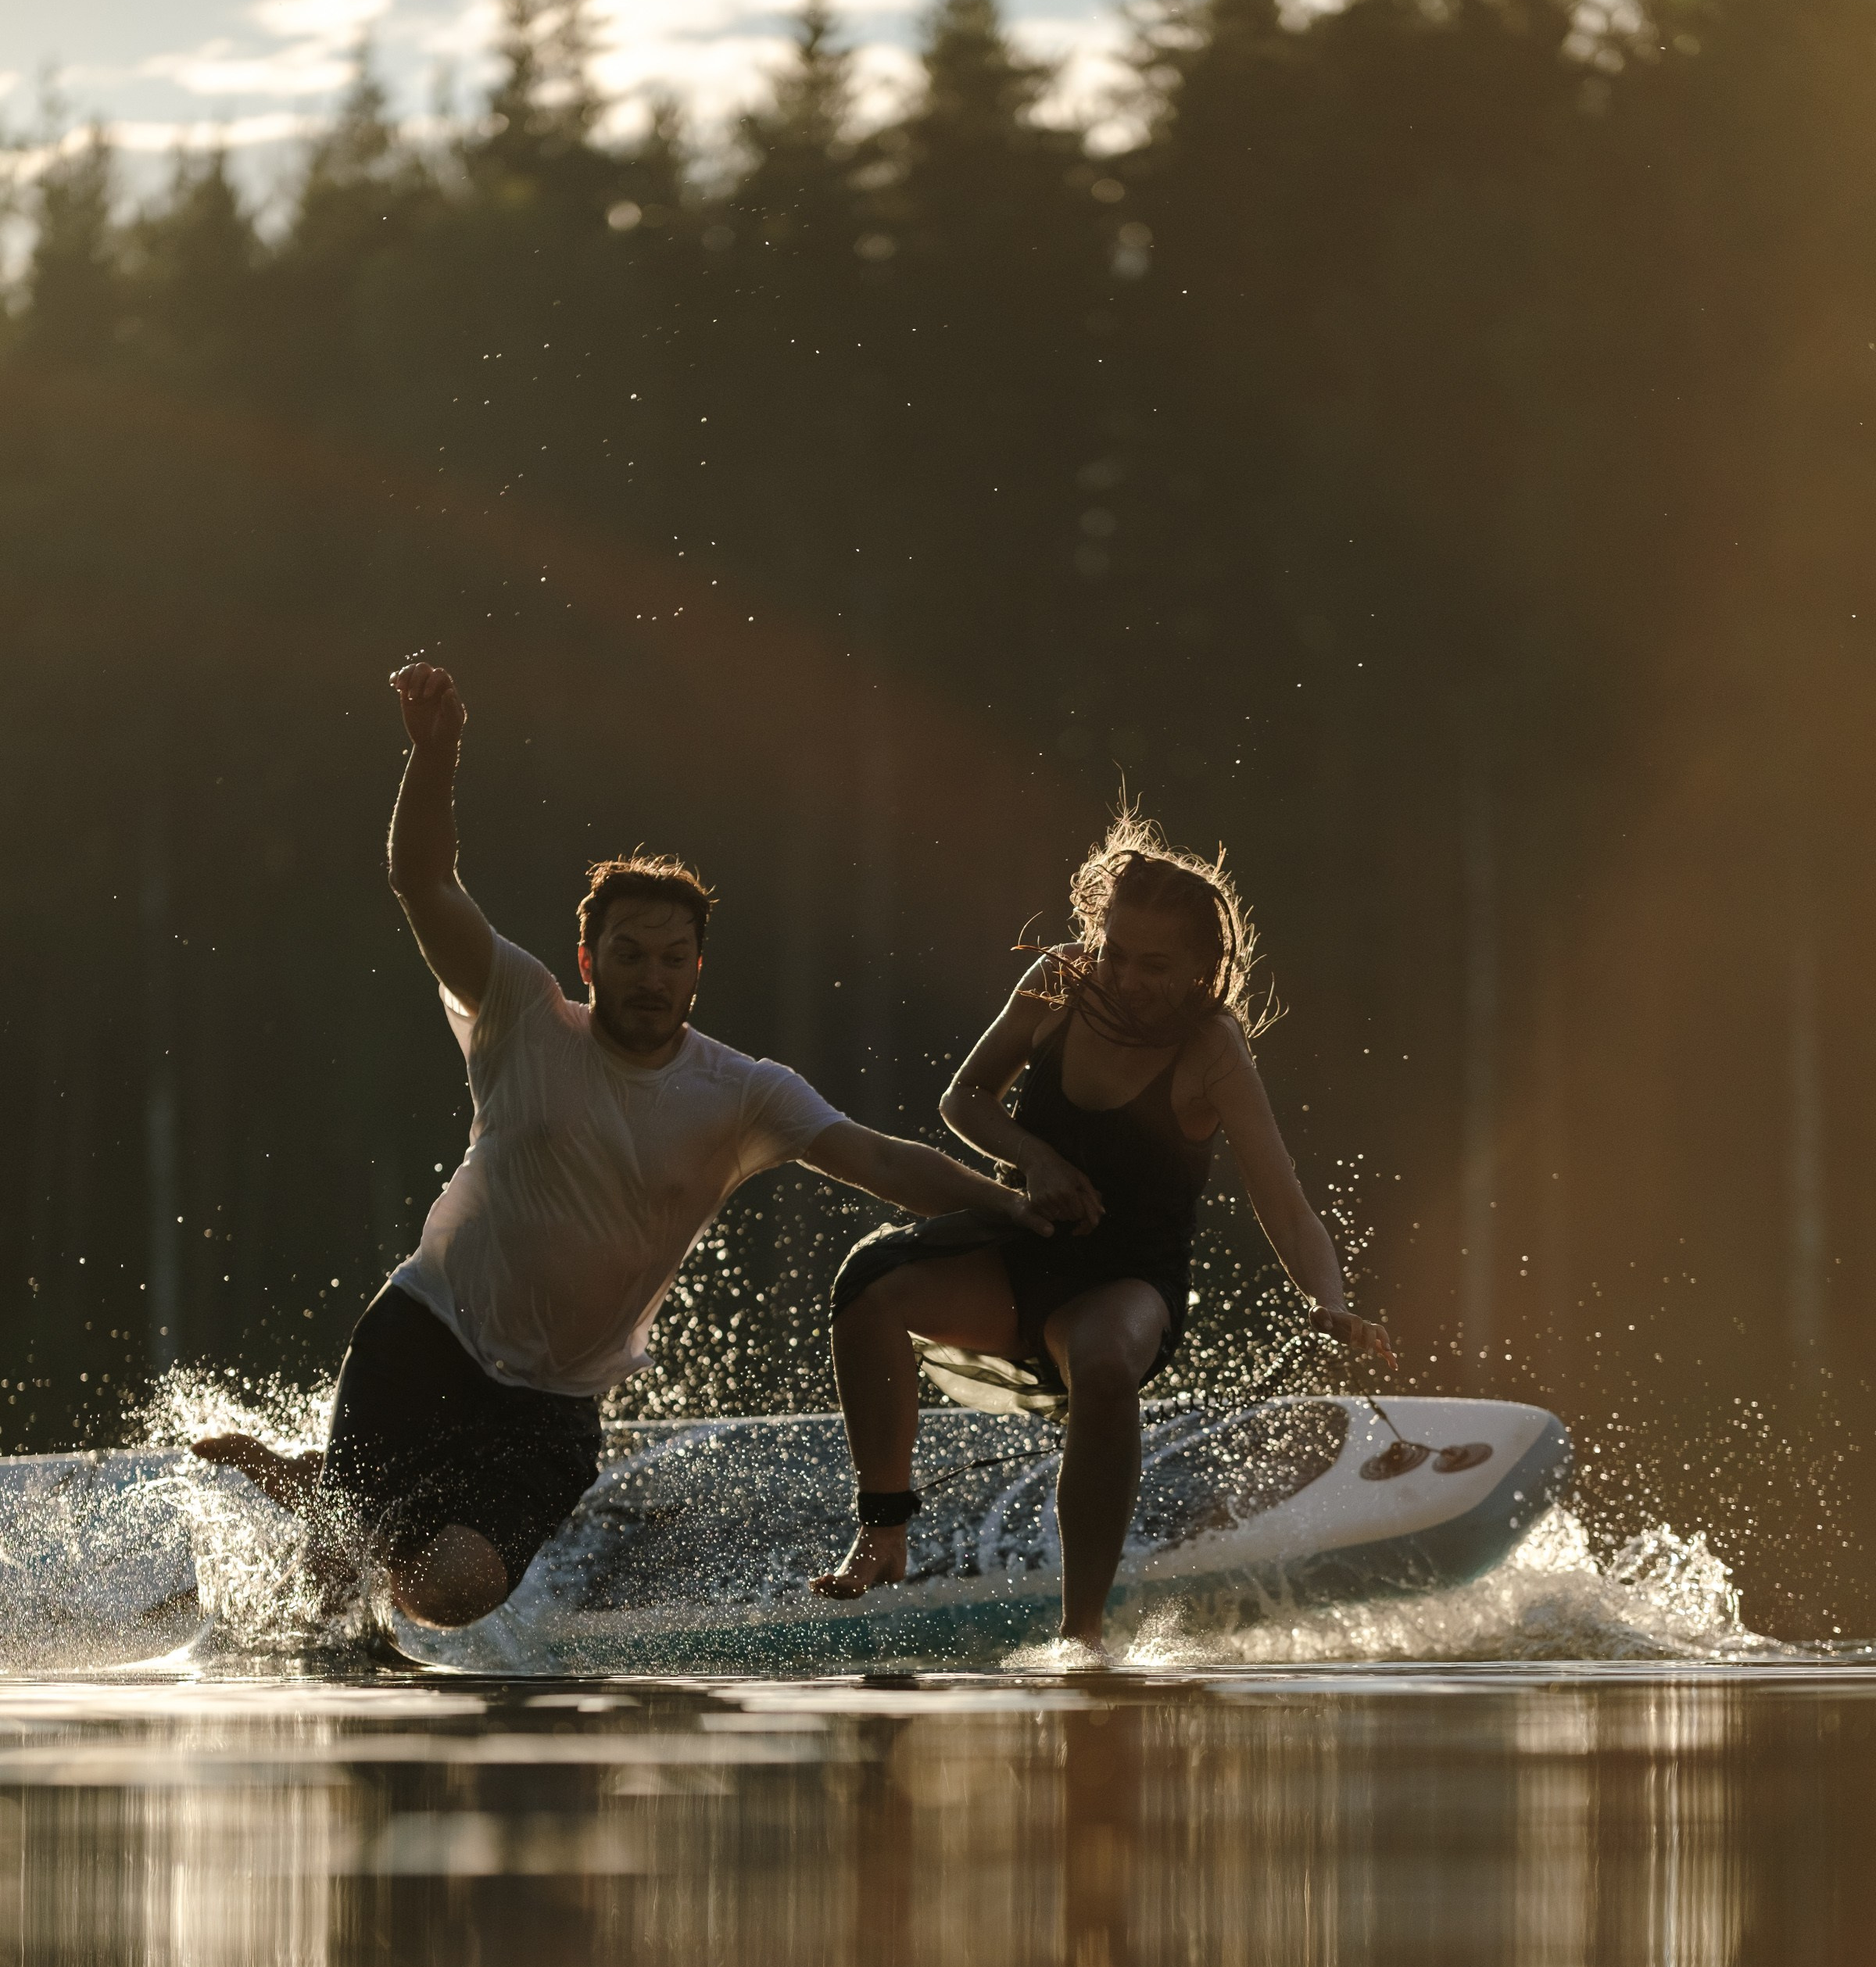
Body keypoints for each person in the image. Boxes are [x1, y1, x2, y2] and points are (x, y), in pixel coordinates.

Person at [193, 660, 1047, 1628]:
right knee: (331, 1604)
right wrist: (436, 756)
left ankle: (333, 1494)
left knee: (446, 1595)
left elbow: (882, 1160)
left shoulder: (743, 1093)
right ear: (589, 960)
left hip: (551, 1409)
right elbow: (420, 879)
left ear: (696, 972)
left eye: (673, 959)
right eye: (630, 956)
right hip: (425, 1339)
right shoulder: (523, 1013)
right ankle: (340, 1506)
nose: (652, 976)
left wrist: (1011, 1205)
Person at [811, 806, 1397, 1650]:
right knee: (871, 1285)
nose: (1125, 977)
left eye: (1156, 966)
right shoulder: (1060, 979)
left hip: (1126, 1283)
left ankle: (1081, 1632)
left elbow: (1286, 1201)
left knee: (1103, 1364)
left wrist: (1330, 1299)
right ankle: (883, 1532)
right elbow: (964, 1098)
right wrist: (1035, 1161)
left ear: (1203, 966)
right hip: (1023, 1249)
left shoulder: (1214, 1049)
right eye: (1117, 952)